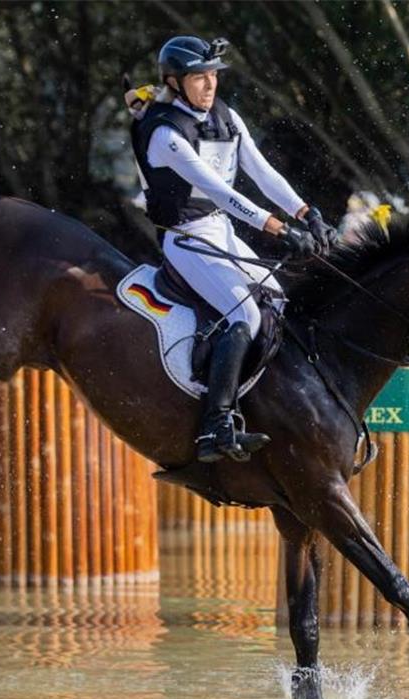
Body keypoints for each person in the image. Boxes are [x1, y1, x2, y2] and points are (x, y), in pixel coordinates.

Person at [129, 35, 337, 463]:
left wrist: (305, 210)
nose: (209, 85)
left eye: (213, 76)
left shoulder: (226, 116)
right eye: (198, 77)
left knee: (277, 301)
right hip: (186, 238)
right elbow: (218, 190)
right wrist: (278, 227)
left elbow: (261, 171)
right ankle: (215, 424)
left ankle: (260, 405)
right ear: (174, 81)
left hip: (220, 231)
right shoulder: (164, 132)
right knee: (243, 313)